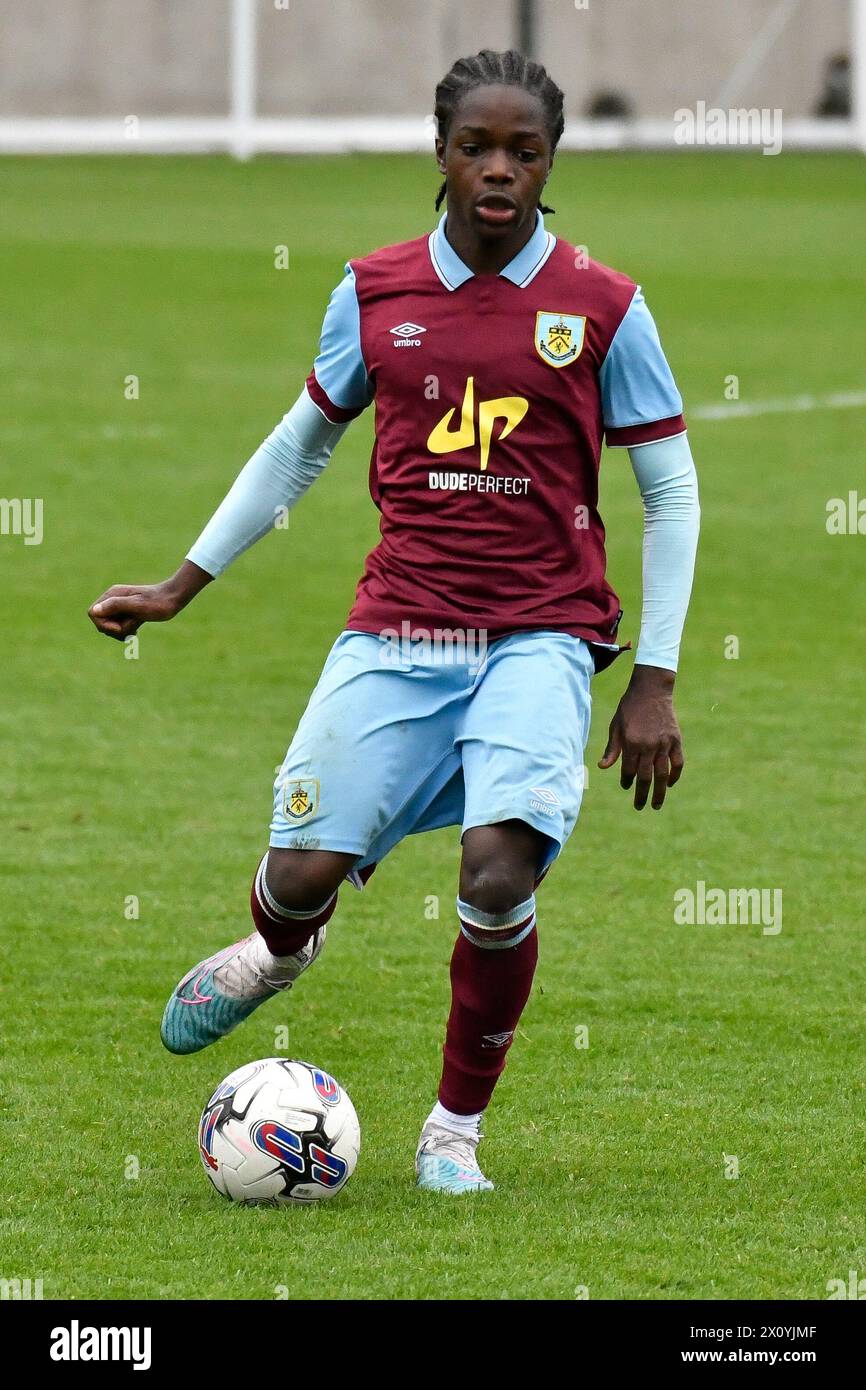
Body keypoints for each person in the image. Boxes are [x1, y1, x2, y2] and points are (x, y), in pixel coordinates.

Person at [88, 49, 700, 1195]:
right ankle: (279, 949)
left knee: (497, 871)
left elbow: (670, 492)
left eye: (524, 150)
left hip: (540, 631)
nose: (499, 170)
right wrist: (180, 582)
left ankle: (451, 1134)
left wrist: (653, 676)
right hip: (400, 630)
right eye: (477, 146)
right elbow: (297, 445)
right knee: (299, 872)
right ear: (441, 153)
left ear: (550, 161)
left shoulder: (603, 305)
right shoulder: (372, 292)